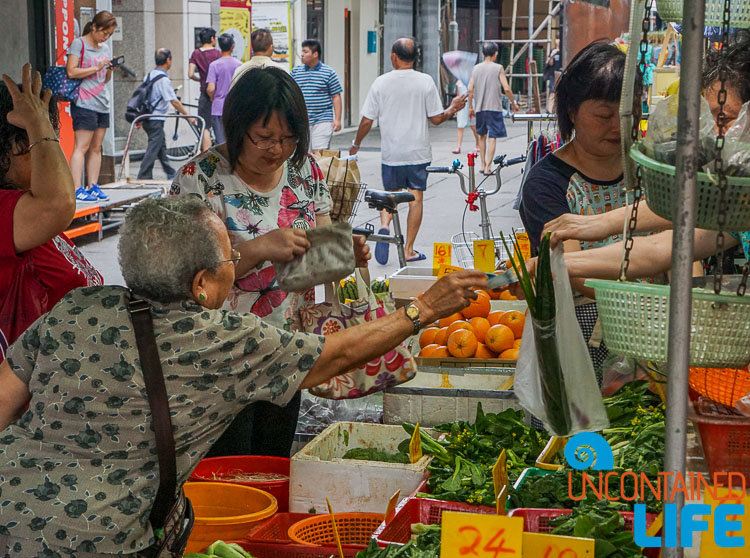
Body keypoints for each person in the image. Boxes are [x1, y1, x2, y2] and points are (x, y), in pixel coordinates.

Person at [0, 194, 486, 557]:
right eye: (230, 258)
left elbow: (4, 401)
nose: (236, 263)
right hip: (102, 539)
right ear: (202, 285)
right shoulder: (224, 340)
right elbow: (335, 355)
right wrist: (422, 310)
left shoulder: (77, 308)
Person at [171, 66, 369, 458]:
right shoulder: (199, 178)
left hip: (287, 352)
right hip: (218, 358)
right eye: (264, 138)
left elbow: (319, 257)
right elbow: (185, 279)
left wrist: (345, 254)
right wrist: (260, 248)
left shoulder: (305, 170)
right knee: (232, 473)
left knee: (273, 466)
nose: (277, 149)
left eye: (287, 138)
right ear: (237, 125)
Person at [539, 31, 750, 277]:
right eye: (604, 116)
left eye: (725, 118)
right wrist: (552, 263)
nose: (714, 133)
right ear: (572, 113)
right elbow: (658, 249)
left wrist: (596, 225)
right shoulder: (738, 201)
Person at [518, 41, 642, 375]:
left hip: (659, 329)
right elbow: (577, 274)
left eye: (628, 112)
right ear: (572, 112)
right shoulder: (547, 183)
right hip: (582, 336)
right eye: (604, 115)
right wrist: (647, 305)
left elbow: (683, 247)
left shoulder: (651, 168)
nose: (617, 127)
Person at [0, 64, 102, 364]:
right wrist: (38, 124)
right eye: (36, 145)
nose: (51, 155)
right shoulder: (11, 209)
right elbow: (59, 204)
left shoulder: (25, 206)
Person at [349, 37, 467, 265]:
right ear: (415, 58)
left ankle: (385, 226)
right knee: (416, 198)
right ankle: (409, 250)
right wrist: (452, 108)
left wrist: (356, 143)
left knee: (389, 197)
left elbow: (366, 120)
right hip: (418, 153)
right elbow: (435, 119)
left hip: (392, 153)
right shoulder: (425, 81)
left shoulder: (381, 82)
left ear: (394, 56)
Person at [66, 10, 118, 202]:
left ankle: (93, 186)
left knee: (97, 148)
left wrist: (109, 70)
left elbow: (104, 79)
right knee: (82, 146)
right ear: (95, 27)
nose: (106, 37)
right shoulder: (78, 44)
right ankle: (77, 188)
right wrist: (96, 67)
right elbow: (71, 71)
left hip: (102, 102)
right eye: (104, 32)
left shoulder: (105, 48)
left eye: (110, 34)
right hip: (84, 102)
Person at [137, 48, 194, 181]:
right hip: (156, 118)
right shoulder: (163, 79)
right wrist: (188, 115)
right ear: (168, 60)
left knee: (160, 146)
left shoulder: (149, 75)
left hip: (147, 117)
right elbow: (173, 100)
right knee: (154, 147)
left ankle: (170, 172)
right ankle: (143, 175)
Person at [468, 42, 519, 176]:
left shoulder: (476, 68)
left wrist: (470, 107)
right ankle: (488, 167)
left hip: (480, 108)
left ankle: (482, 164)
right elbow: (506, 88)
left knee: (482, 137)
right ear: (495, 53)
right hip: (494, 108)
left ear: (483, 54)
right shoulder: (498, 68)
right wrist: (513, 103)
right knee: (492, 137)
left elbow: (469, 89)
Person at [291, 39, 342, 154]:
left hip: (322, 120)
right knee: (303, 155)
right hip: (302, 121)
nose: (302, 55)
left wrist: (337, 119)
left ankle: (320, 172)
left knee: (319, 154)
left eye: (305, 52)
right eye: (302, 51)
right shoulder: (295, 72)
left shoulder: (328, 73)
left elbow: (336, 96)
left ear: (315, 54)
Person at [188, 27, 220, 151]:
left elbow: (190, 74)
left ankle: (208, 155)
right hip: (218, 94)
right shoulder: (218, 53)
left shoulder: (196, 53)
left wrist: (200, 79)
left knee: (204, 126)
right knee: (219, 125)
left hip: (204, 93)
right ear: (212, 39)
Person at [206, 33, 242, 144]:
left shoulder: (214, 65)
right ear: (232, 46)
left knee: (221, 143)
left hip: (218, 107)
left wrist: (213, 97)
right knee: (234, 141)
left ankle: (222, 161)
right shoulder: (239, 65)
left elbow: (210, 88)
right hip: (235, 108)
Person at [453, 79, 480, 155]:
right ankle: (458, 147)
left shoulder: (472, 80)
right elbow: (458, 95)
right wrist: (455, 108)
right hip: (461, 105)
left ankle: (478, 143)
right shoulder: (459, 82)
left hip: (471, 104)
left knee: (473, 126)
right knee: (460, 125)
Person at [543, 37, 563, 114]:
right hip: (553, 74)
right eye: (557, 39)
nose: (558, 41)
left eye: (559, 39)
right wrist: (552, 55)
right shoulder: (553, 50)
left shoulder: (564, 50)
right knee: (552, 92)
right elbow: (550, 63)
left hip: (562, 72)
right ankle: (549, 110)